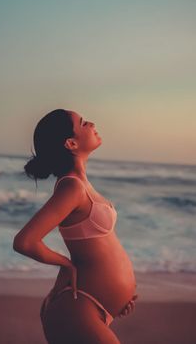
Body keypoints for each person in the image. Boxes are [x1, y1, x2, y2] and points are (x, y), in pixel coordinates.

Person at [13, 109, 138, 344]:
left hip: (93, 307)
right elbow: (25, 242)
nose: (91, 122)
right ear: (71, 143)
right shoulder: (72, 188)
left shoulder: (80, 184)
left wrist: (119, 295)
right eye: (82, 122)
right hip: (77, 307)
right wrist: (66, 264)